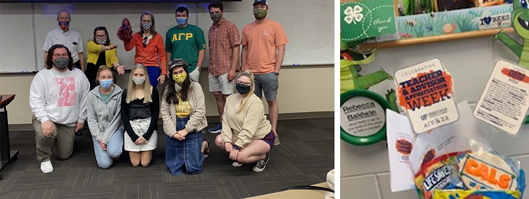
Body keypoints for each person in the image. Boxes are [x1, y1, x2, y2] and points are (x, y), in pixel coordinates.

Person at [30, 44, 90, 174]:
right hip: (48, 118)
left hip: (68, 122)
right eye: (57, 55)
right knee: (44, 134)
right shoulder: (42, 75)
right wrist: (44, 120)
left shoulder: (79, 75)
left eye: (64, 55)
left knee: (64, 155)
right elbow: (36, 100)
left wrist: (81, 119)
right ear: (51, 58)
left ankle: (55, 139)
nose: (61, 58)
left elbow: (85, 99)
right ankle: (44, 158)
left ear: (69, 57)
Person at [241, 0, 289, 145]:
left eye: (261, 7)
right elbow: (244, 49)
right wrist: (243, 70)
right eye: (256, 7)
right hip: (251, 74)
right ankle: (257, 131)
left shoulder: (275, 26)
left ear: (267, 9)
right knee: (253, 104)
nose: (258, 9)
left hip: (269, 72)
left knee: (271, 101)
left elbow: (281, 49)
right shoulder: (247, 28)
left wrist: (276, 71)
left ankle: (273, 132)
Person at [214, 70, 274, 172]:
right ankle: (245, 150)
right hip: (240, 135)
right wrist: (228, 141)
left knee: (240, 158)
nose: (242, 85)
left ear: (251, 86)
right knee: (220, 141)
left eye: (246, 83)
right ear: (236, 83)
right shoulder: (230, 99)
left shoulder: (255, 102)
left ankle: (263, 156)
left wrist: (237, 148)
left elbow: (248, 130)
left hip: (261, 137)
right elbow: (226, 122)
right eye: (240, 82)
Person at [161, 59, 210, 175]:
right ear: (171, 75)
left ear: (186, 72)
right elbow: (165, 114)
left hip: (192, 126)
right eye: (175, 73)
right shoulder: (168, 90)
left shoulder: (196, 87)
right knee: (174, 169)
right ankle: (196, 149)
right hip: (175, 124)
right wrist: (173, 133)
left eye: (181, 71)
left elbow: (200, 111)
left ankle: (203, 145)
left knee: (194, 168)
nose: (178, 75)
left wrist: (186, 130)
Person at [206, 1, 240, 134]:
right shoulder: (211, 29)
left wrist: (233, 69)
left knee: (228, 98)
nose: (214, 15)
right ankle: (221, 123)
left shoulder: (230, 27)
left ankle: (231, 127)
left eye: (217, 12)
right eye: (212, 13)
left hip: (226, 69)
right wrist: (210, 69)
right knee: (217, 95)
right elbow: (212, 50)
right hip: (213, 69)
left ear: (222, 12)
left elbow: (236, 49)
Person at [121, 64, 159, 167]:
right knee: (135, 163)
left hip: (147, 127)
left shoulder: (152, 91)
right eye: (136, 74)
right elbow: (124, 115)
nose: (138, 77)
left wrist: (147, 136)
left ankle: (148, 150)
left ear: (145, 76)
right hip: (132, 128)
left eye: (141, 75)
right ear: (132, 76)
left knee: (145, 163)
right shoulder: (126, 92)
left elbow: (155, 113)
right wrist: (133, 136)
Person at [86, 66, 124, 169]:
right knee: (104, 164)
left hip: (115, 129)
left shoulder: (120, 94)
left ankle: (113, 151)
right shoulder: (91, 96)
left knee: (114, 152)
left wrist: (106, 139)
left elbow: (117, 119)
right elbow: (91, 119)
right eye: (103, 77)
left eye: (109, 77)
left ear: (113, 78)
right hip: (99, 131)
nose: (106, 80)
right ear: (98, 78)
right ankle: (107, 149)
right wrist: (100, 138)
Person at [123, 12, 167, 88]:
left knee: (151, 91)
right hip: (138, 68)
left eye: (148, 21)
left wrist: (163, 73)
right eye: (144, 21)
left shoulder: (158, 37)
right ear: (141, 22)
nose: (146, 23)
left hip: (153, 69)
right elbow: (128, 48)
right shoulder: (136, 36)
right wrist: (125, 38)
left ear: (152, 22)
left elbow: (162, 56)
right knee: (137, 91)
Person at [165, 6, 206, 82]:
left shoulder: (196, 30)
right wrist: (167, 68)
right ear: (175, 17)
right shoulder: (170, 32)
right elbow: (168, 51)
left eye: (183, 16)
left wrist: (198, 68)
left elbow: (202, 50)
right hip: (175, 70)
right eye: (179, 16)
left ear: (187, 17)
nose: (181, 18)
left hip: (192, 70)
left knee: (193, 93)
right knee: (177, 93)